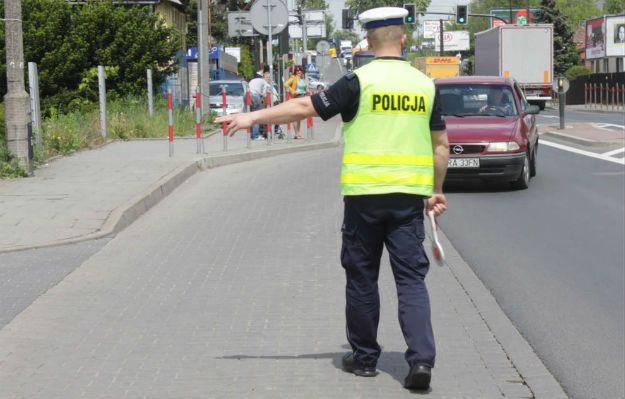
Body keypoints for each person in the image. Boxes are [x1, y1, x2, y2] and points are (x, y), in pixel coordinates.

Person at [216, 6, 449, 391]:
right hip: (408, 200)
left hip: (363, 199)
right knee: (411, 281)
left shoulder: (358, 81)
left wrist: (250, 119)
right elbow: (441, 147)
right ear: (403, 38)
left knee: (361, 278)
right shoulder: (424, 86)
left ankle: (364, 359)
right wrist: (436, 190)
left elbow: (305, 106)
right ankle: (421, 362)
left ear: (369, 41)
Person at [284, 66, 307, 139]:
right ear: (295, 72)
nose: (299, 72)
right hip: (296, 97)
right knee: (295, 117)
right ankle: (297, 134)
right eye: (297, 71)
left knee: (299, 117)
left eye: (300, 70)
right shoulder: (293, 77)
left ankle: (298, 133)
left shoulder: (303, 79)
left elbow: (305, 88)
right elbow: (285, 84)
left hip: (303, 97)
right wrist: (293, 91)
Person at [248, 72, 271, 140]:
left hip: (247, 95)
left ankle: (251, 134)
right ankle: (255, 136)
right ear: (263, 77)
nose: (268, 79)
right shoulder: (264, 82)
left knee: (250, 116)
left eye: (269, 78)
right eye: (267, 78)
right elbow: (266, 93)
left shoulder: (253, 80)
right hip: (255, 96)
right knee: (256, 116)